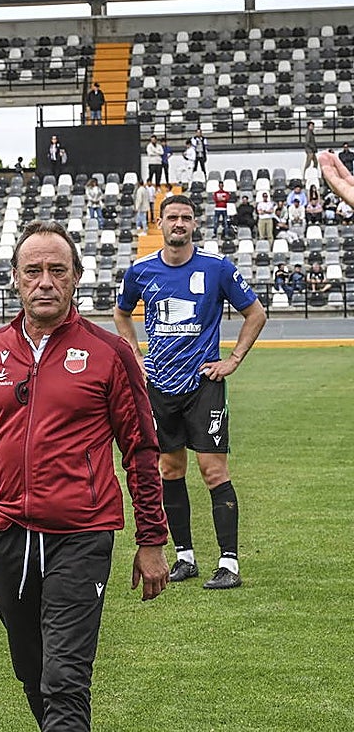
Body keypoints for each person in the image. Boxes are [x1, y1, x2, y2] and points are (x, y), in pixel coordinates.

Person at [0, 219, 168, 732]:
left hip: (80, 537)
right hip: (8, 535)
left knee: (65, 677)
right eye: (33, 271)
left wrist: (152, 540)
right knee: (32, 670)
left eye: (57, 271)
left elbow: (141, 450)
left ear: (76, 277)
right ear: (15, 279)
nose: (44, 282)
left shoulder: (111, 353)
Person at [114, 195, 267, 591]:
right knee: (170, 470)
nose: (179, 223)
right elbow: (121, 312)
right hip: (159, 387)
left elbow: (256, 313)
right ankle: (185, 557)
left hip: (204, 386)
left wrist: (232, 360)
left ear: (194, 224)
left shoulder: (216, 268)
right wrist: (134, 352)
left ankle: (229, 563)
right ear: (160, 224)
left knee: (213, 471)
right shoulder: (140, 271)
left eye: (186, 217)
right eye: (172, 217)